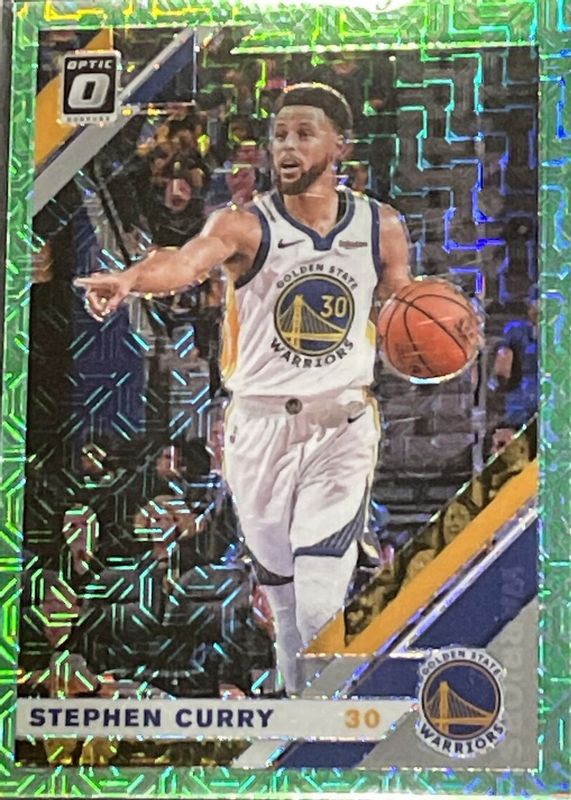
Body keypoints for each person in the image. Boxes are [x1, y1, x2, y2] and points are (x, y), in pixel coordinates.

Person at [75, 82, 414, 695]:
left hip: (340, 421)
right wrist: (129, 279)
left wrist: (434, 326)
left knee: (319, 589)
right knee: (282, 595)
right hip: (257, 424)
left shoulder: (380, 225)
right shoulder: (244, 224)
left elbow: (403, 309)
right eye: (279, 135)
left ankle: (327, 717)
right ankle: (301, 709)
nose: (287, 146)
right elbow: (182, 262)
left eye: (304, 133)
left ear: (341, 145)